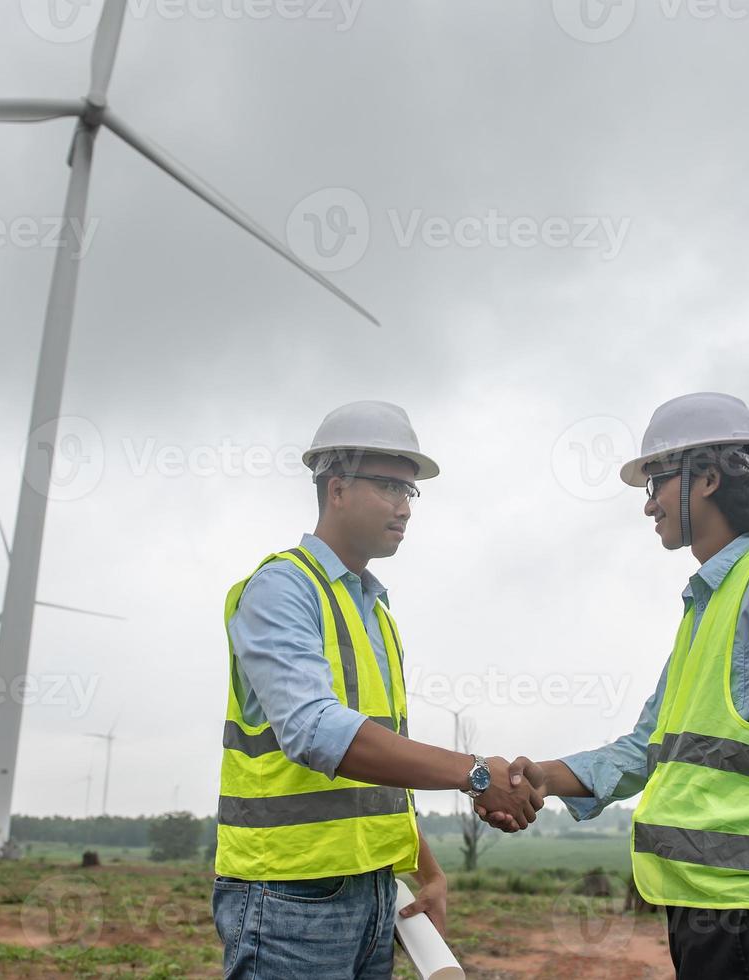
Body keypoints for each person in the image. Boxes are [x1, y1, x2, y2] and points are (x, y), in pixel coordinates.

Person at [479, 392, 749, 978]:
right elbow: (647, 747)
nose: (648, 505)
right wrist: (545, 778)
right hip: (708, 915)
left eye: (655, 484)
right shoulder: (707, 606)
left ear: (705, 477)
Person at [213, 400, 545, 980]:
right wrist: (476, 773)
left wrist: (430, 871)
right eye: (390, 486)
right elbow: (317, 733)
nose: (404, 507)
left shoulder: (374, 610)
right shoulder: (279, 590)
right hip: (289, 899)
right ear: (336, 488)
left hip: (374, 895)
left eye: (410, 492)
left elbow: (379, 773)